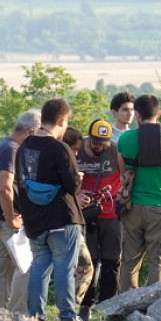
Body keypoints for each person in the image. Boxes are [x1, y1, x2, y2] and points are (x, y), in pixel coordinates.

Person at [15, 98, 85, 321]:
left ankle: (36, 317)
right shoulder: (60, 148)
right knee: (65, 267)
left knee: (39, 266)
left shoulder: (24, 147)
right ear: (62, 120)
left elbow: (20, 183)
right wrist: (79, 178)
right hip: (62, 218)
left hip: (35, 219)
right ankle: (67, 319)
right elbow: (72, 185)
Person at [116, 94, 161, 291]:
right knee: (158, 259)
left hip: (132, 206)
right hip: (159, 206)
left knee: (130, 258)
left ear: (137, 114)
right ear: (158, 113)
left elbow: (122, 175)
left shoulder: (125, 139)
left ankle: (126, 304)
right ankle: (155, 305)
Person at [0, 109, 40, 313]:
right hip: (8, 219)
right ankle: (18, 316)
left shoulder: (4, 145)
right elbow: (4, 187)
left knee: (2, 270)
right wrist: (12, 219)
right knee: (26, 267)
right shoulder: (12, 149)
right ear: (29, 132)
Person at [77, 119, 123, 321]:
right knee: (89, 261)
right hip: (86, 214)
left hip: (111, 213)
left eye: (102, 143)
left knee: (112, 260)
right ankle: (85, 305)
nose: (98, 147)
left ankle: (108, 305)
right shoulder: (78, 149)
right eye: (95, 142)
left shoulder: (115, 150)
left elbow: (127, 174)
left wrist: (123, 196)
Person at [61, 127, 94, 310]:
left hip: (45, 223)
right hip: (66, 223)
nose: (75, 153)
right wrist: (76, 198)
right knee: (85, 268)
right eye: (74, 149)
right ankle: (69, 310)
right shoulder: (65, 161)